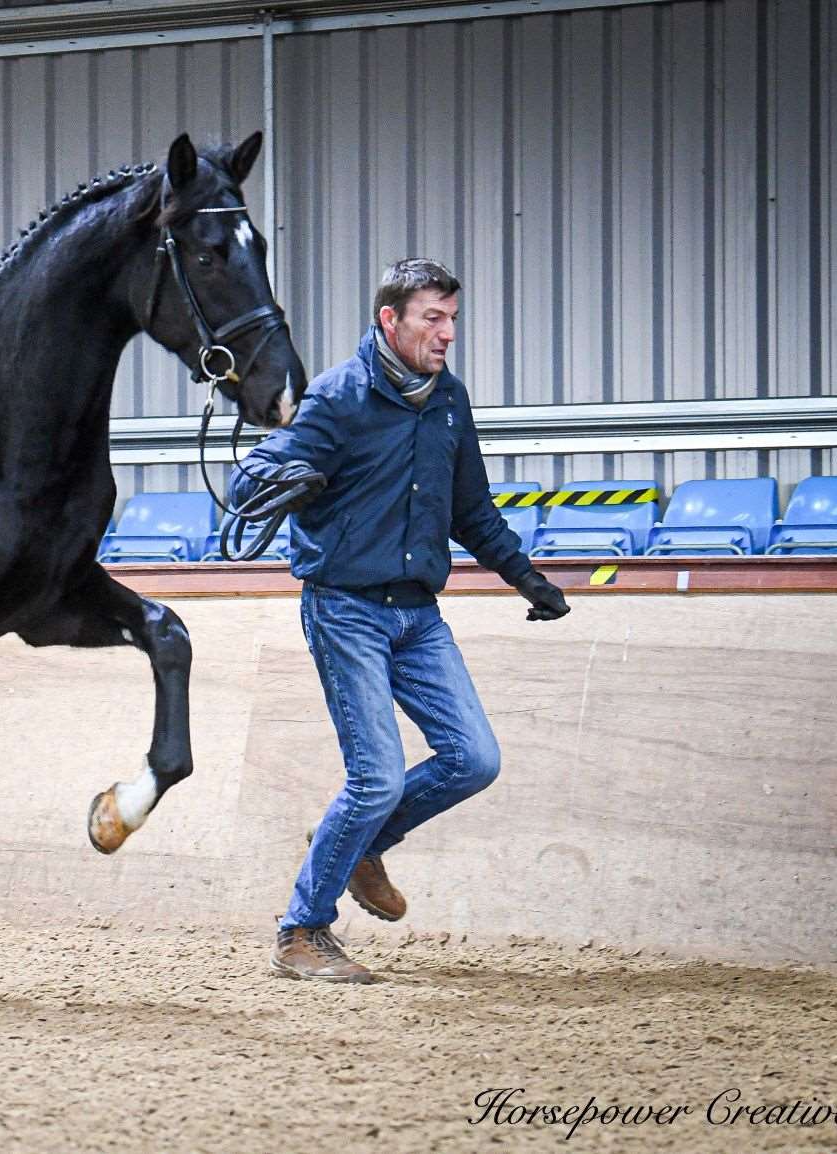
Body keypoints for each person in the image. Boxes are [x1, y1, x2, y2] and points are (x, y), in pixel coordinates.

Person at [231, 258, 571, 984]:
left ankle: (352, 847)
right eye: (432, 318)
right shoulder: (336, 398)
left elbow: (469, 510)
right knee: (376, 777)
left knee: (473, 758)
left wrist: (526, 577)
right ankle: (302, 930)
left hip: (417, 614)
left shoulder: (447, 401)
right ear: (390, 320)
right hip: (345, 611)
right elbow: (249, 478)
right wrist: (284, 475)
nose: (447, 333)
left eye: (451, 319)